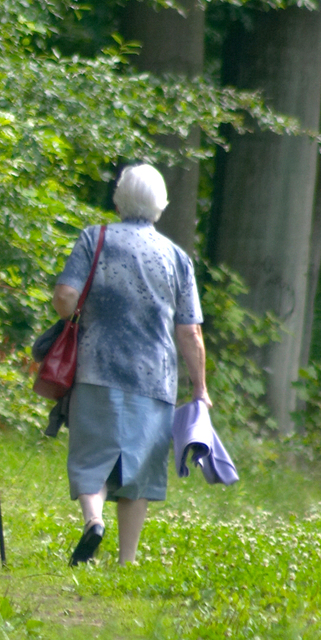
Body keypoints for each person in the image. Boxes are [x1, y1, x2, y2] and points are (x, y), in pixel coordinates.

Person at [54, 163, 209, 565]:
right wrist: (200, 389)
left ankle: (93, 520)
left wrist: (76, 316)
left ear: (119, 199)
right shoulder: (177, 258)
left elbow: (66, 297)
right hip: (153, 377)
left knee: (91, 459)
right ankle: (127, 560)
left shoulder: (95, 238)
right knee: (137, 472)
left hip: (96, 367)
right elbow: (190, 331)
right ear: (160, 204)